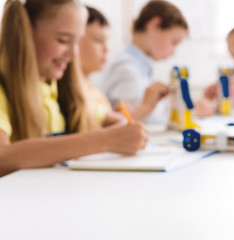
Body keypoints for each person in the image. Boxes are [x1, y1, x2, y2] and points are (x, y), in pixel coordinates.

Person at [0, 0, 147, 177]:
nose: (73, 54)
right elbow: (3, 157)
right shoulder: (4, 89)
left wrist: (122, 132)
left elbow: (114, 120)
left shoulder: (60, 89)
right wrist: (104, 141)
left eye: (77, 42)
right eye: (63, 40)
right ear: (24, 34)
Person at [98, 0, 188, 125]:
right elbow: (146, 118)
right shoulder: (125, 68)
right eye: (174, 42)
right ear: (154, 26)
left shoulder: (139, 66)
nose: (173, 52)